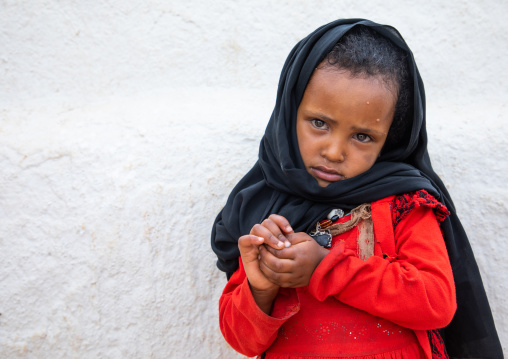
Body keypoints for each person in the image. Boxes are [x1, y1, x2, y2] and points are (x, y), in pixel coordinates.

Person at [211, 19, 502, 358]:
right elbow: (244, 342)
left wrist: (327, 267)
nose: (334, 152)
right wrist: (261, 287)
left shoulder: (402, 204)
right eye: (319, 123)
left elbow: (435, 301)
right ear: (289, 113)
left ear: (389, 138)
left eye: (362, 136)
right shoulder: (263, 212)